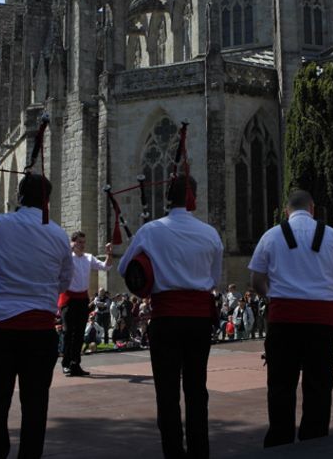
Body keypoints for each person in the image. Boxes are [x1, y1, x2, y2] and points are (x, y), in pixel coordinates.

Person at [0, 174, 72, 459]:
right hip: (40, 332)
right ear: (47, 200)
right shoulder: (59, 234)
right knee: (36, 405)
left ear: (19, 196)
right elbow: (65, 282)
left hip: (0, 330)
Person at [118, 175, 222, 459]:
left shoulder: (151, 230)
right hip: (199, 319)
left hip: (165, 318)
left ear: (167, 197)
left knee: (166, 391)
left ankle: (173, 452)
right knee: (197, 389)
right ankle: (200, 451)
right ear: (194, 198)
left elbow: (124, 269)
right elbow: (215, 278)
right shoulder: (210, 233)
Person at [249, 189, 333, 443]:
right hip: (321, 321)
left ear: (286, 211)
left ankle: (280, 442)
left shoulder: (272, 235)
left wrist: (272, 294)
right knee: (319, 386)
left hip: (284, 319)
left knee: (280, 385)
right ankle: (315, 442)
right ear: (313, 209)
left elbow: (256, 280)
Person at [59, 232, 111, 376]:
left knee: (80, 333)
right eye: (79, 242)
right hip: (69, 298)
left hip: (82, 299)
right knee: (69, 332)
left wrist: (109, 254)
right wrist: (68, 248)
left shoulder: (89, 257)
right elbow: (58, 260)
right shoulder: (68, 257)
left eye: (83, 242)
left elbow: (106, 266)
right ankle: (66, 363)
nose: (82, 245)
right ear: (73, 243)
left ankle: (75, 364)